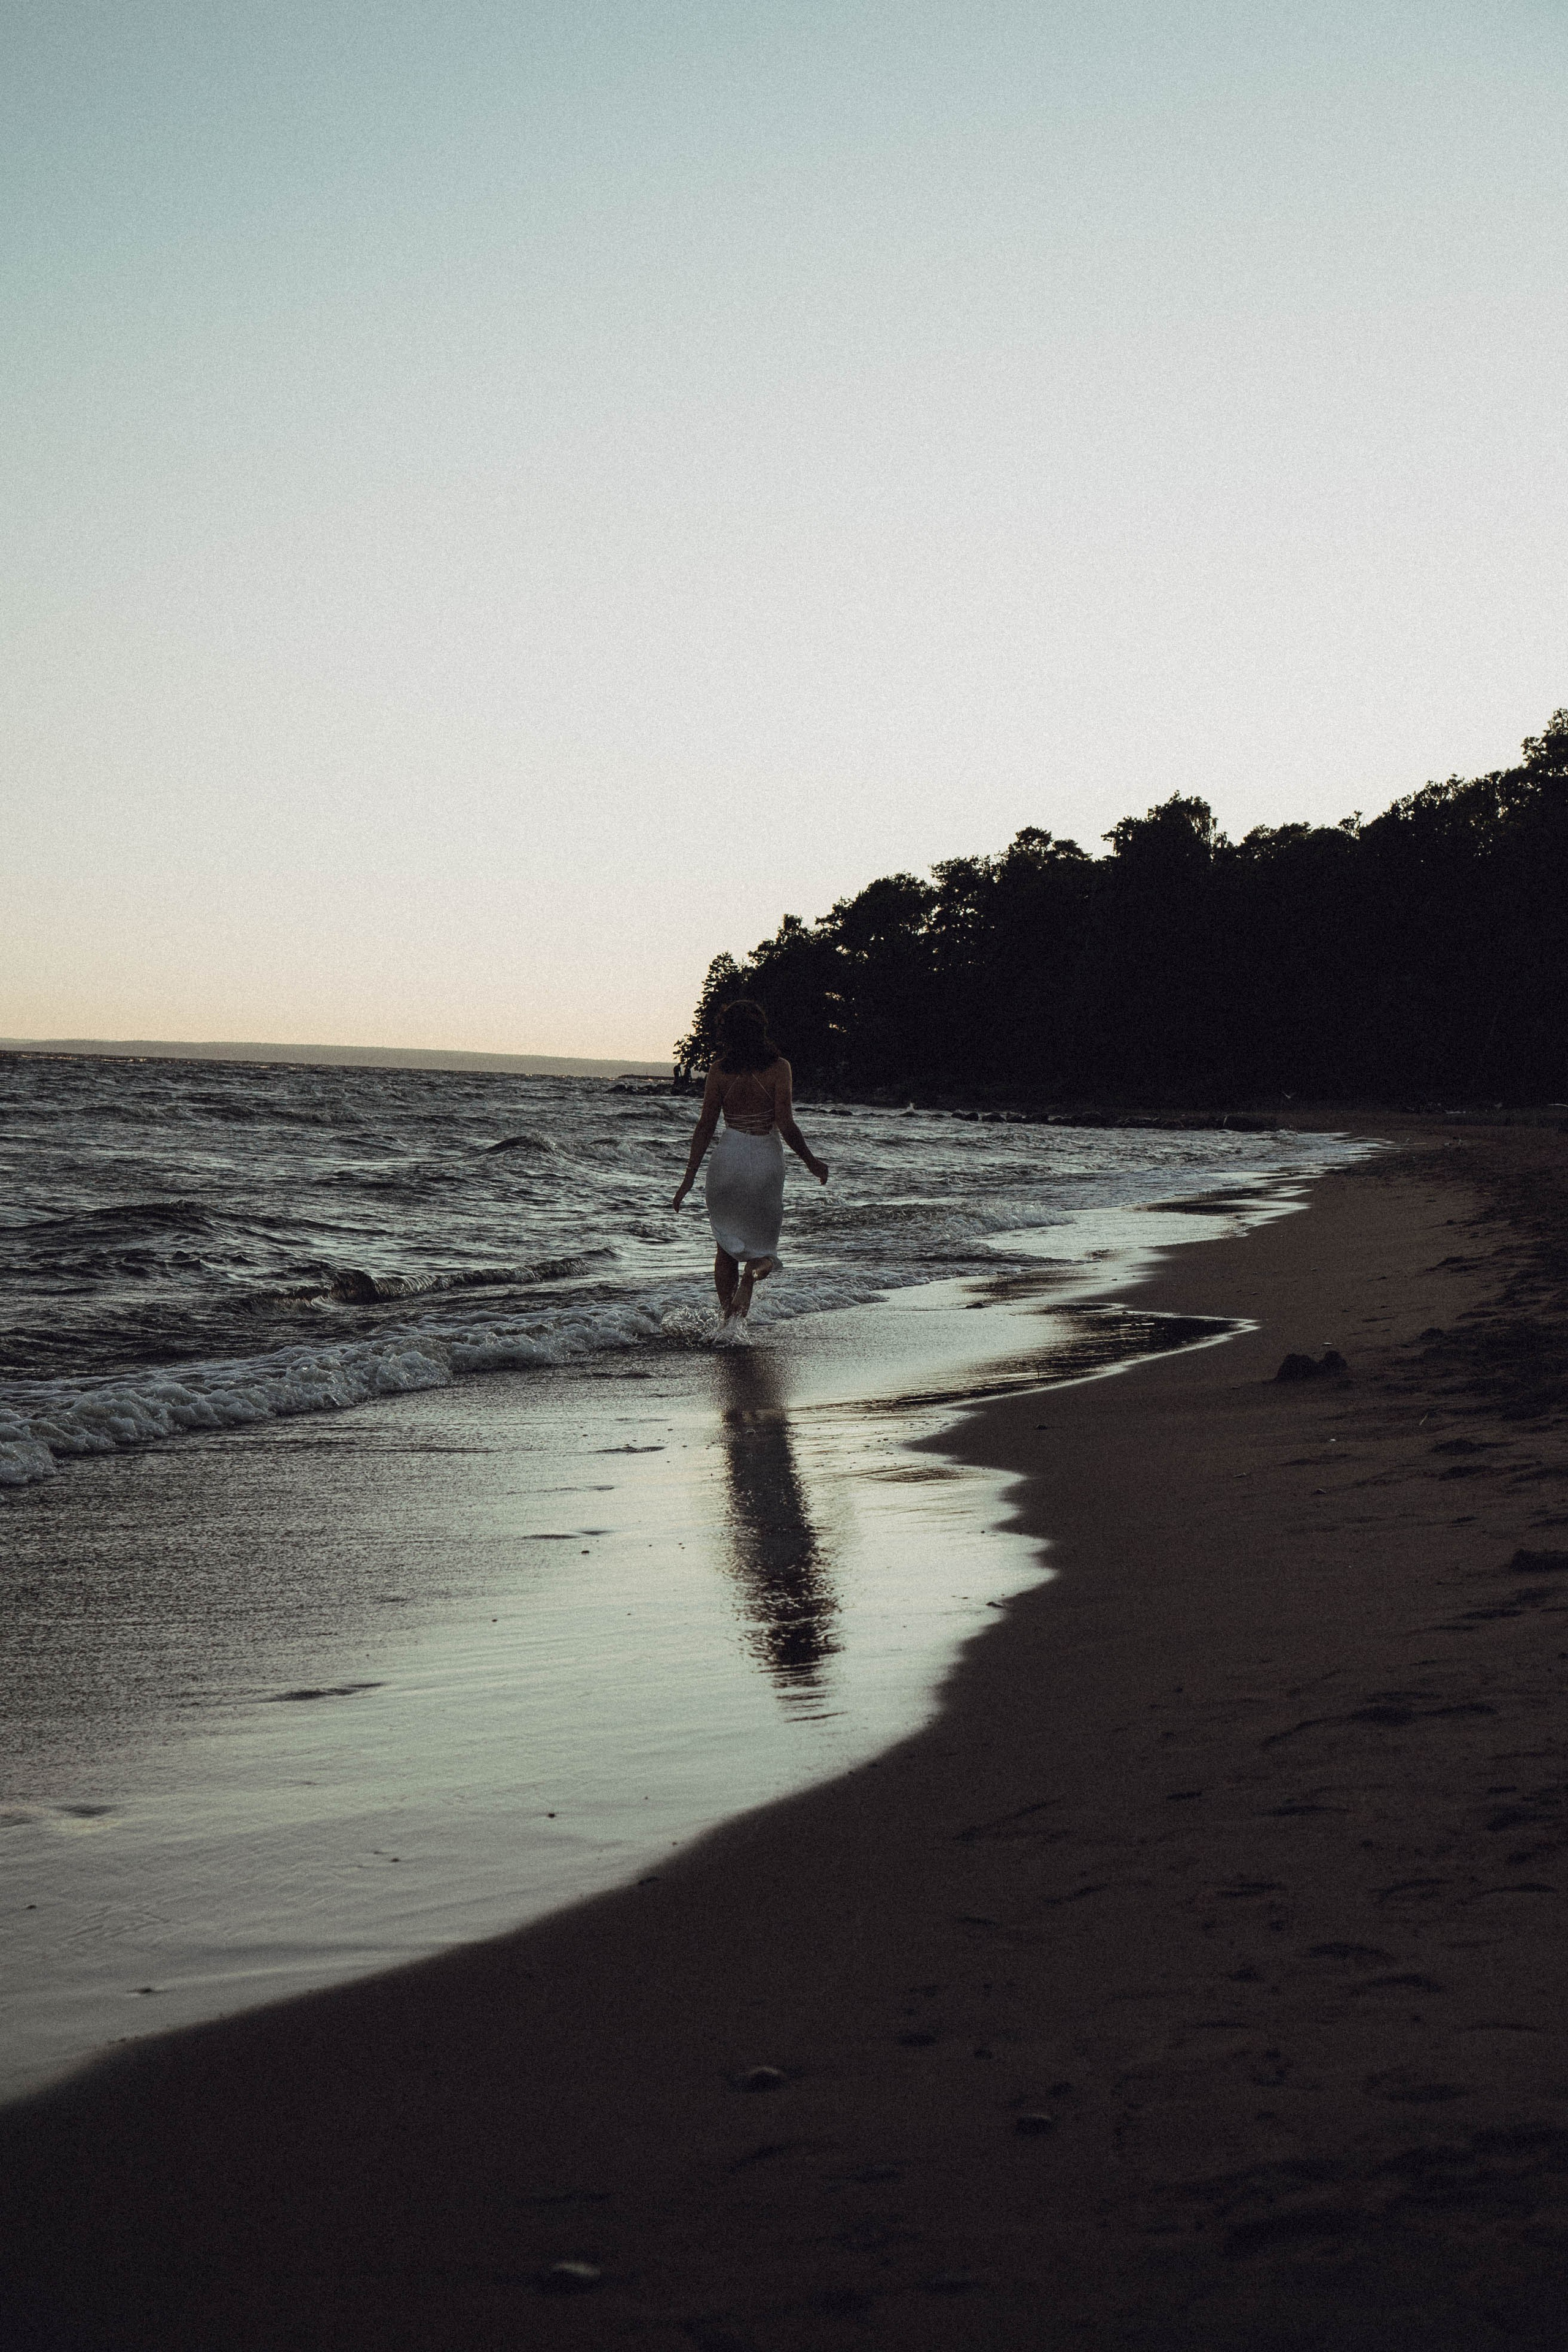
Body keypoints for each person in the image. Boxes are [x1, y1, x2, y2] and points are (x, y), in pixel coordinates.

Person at [671, 1000, 829, 1322]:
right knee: (764, 1252)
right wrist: (811, 1162)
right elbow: (785, 1123)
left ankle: (728, 1321)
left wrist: (689, 1176)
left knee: (725, 1246)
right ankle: (750, 1278)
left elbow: (705, 1125)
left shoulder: (718, 1070)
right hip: (763, 1161)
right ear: (761, 1029)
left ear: (727, 1032)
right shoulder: (779, 1068)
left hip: (727, 1161)